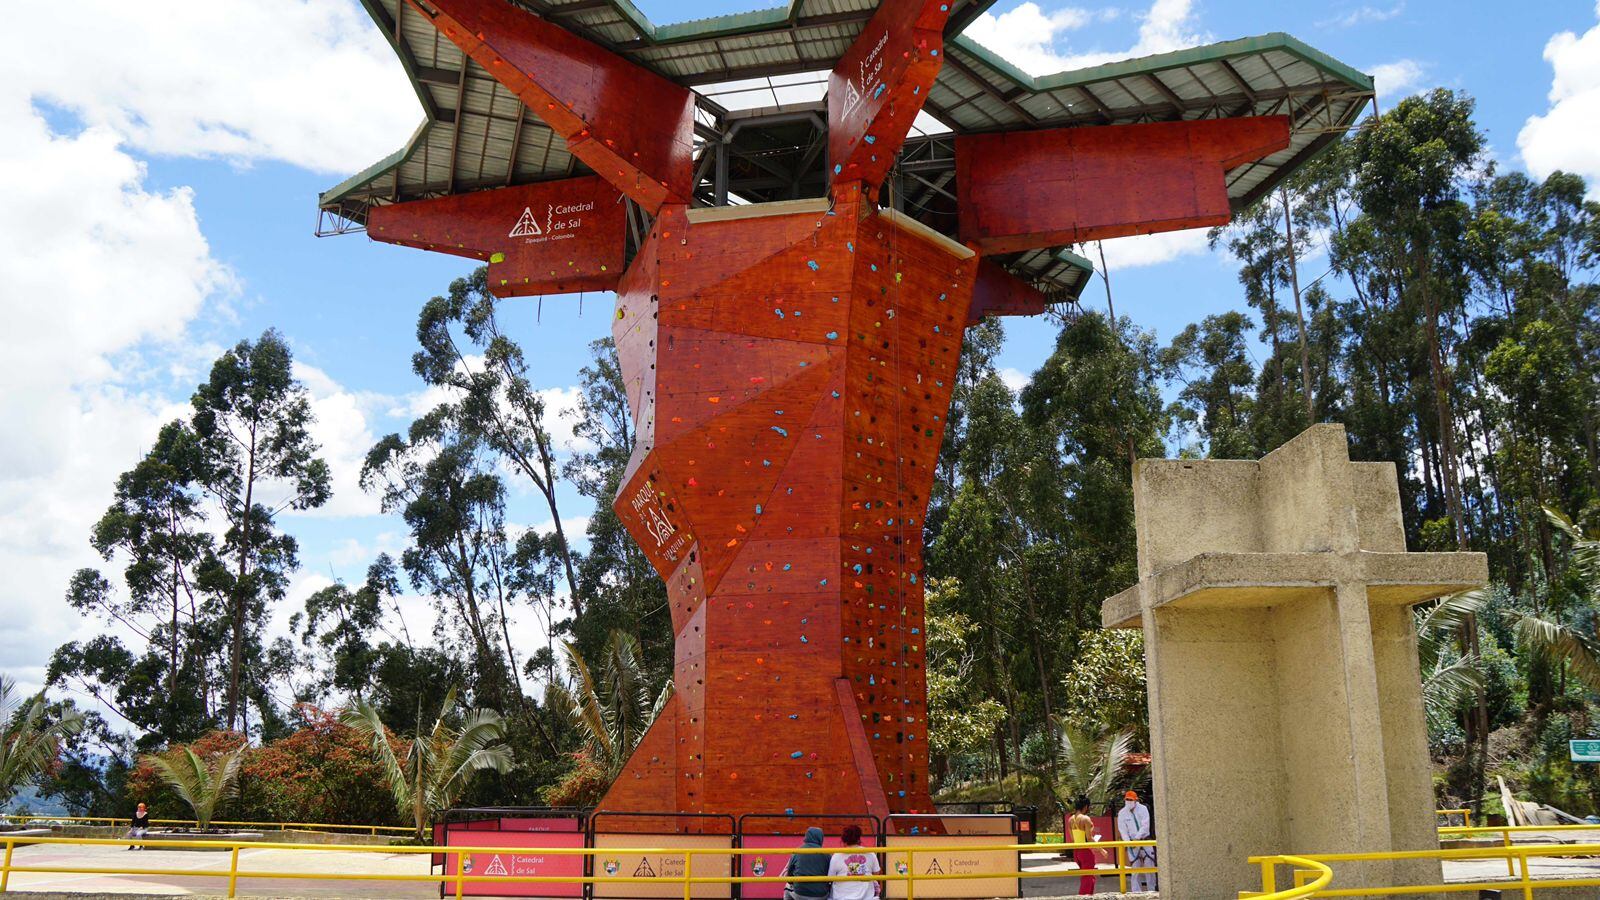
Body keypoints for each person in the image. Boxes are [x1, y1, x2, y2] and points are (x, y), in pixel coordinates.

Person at [827, 824, 880, 900]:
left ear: (844, 839)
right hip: (866, 897)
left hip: (841, 897)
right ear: (859, 838)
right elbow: (876, 873)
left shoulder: (837, 856)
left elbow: (830, 878)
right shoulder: (870, 853)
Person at [1117, 790, 1156, 892]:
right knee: (1135, 870)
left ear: (1136, 800)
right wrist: (1128, 843)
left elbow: (1145, 825)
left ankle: (1151, 890)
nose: (1129, 801)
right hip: (1132, 845)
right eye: (1127, 799)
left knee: (1149, 868)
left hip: (1144, 841)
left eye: (1131, 800)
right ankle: (1136, 892)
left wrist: (1137, 838)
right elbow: (1123, 830)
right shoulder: (1122, 813)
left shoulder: (1143, 809)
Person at [782, 826, 832, 900]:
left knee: (787, 887)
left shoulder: (797, 851)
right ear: (821, 838)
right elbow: (831, 876)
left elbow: (789, 877)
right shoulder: (827, 854)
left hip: (800, 893)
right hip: (821, 895)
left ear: (806, 836)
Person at [1068, 797, 1100, 895]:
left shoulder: (1070, 819)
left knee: (1088, 877)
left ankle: (1090, 895)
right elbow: (1089, 838)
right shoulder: (1085, 819)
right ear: (1086, 807)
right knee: (1087, 878)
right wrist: (1101, 850)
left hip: (1077, 852)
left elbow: (1073, 839)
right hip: (1085, 851)